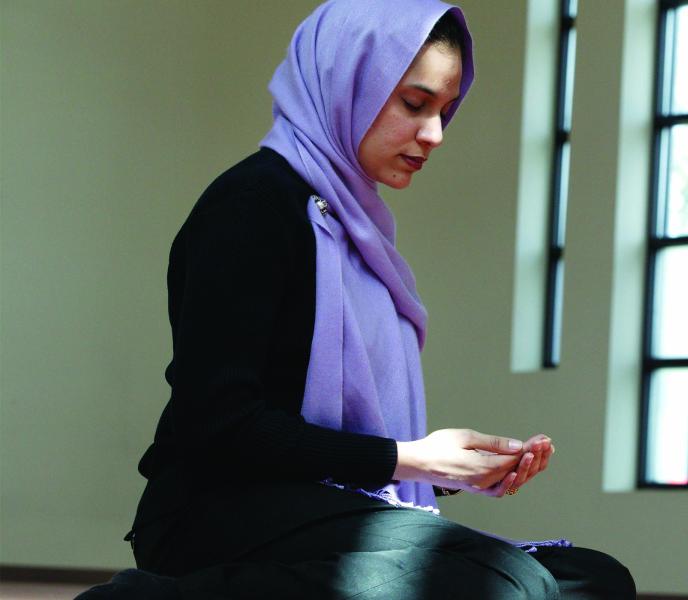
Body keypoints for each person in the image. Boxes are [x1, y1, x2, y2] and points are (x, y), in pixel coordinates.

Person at [85, 1, 635, 597]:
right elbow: (217, 426)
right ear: (346, 81)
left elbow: (341, 430)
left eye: (446, 111)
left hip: (325, 506)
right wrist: (411, 459)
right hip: (216, 513)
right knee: (498, 581)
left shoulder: (356, 230)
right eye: (414, 103)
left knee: (594, 580)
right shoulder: (251, 205)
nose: (434, 134)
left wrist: (451, 468)